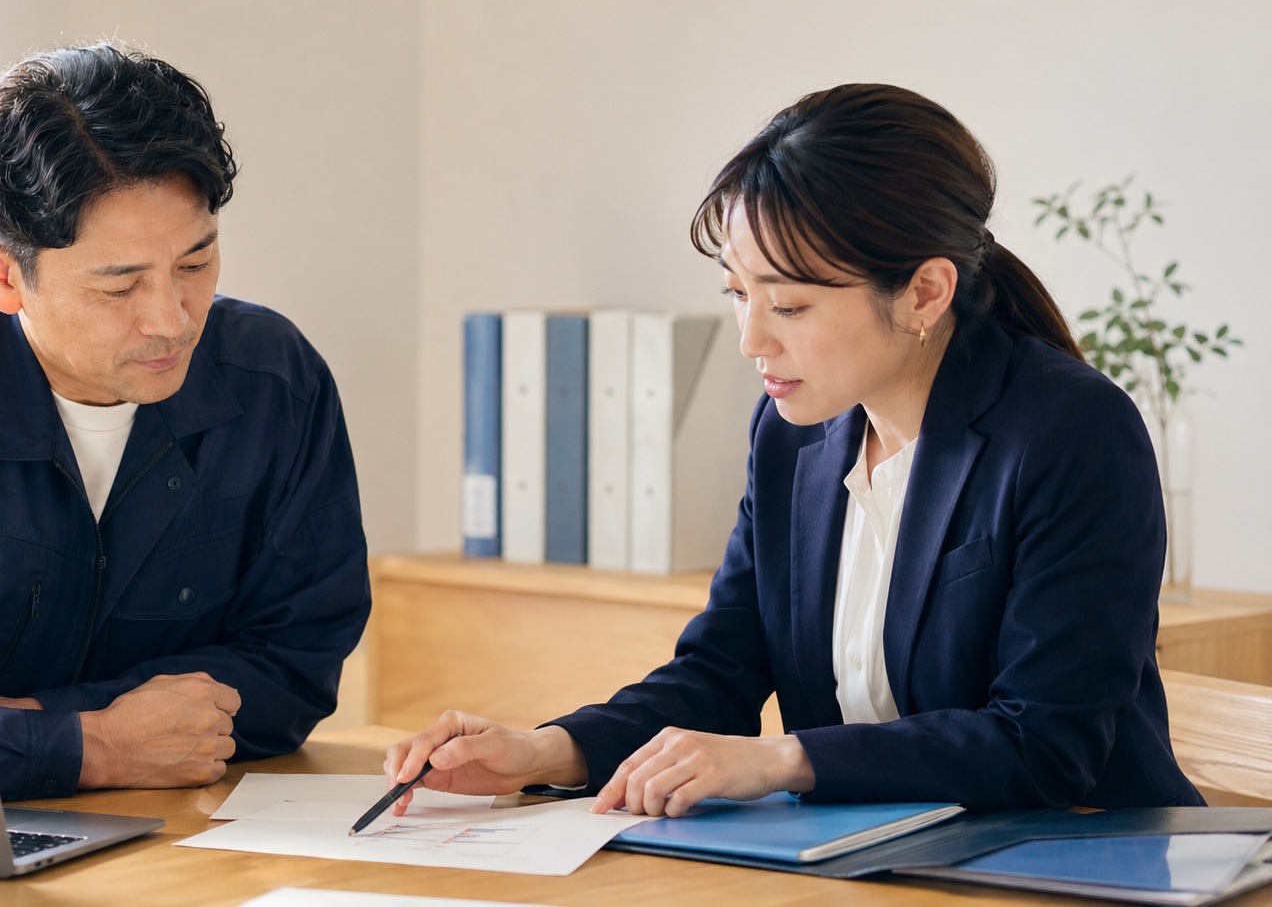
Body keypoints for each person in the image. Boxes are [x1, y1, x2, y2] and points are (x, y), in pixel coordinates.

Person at [386, 83, 1203, 816]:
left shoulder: (1072, 431)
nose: (751, 340)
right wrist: (539, 750)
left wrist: (785, 757)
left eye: (788, 305)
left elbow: (1045, 746)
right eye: (739, 295)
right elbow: (718, 674)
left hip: (1073, 861)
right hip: (867, 861)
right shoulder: (792, 434)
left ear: (924, 291)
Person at [0, 43, 371, 801]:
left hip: (190, 832)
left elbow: (295, 663)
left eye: (195, 262)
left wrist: (35, 722)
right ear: (2, 275)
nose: (172, 319)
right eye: (119, 287)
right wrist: (92, 748)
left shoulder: (277, 381)